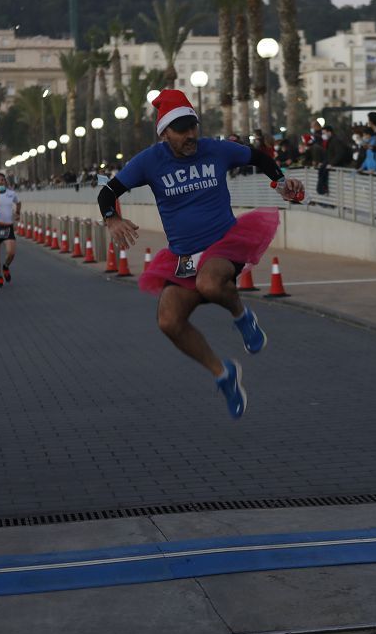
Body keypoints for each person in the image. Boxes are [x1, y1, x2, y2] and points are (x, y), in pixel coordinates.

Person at [98, 89, 304, 419]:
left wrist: (280, 183)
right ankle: (224, 374)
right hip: (183, 256)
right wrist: (112, 219)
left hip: (224, 244)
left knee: (210, 283)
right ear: (165, 133)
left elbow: (259, 157)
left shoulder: (216, 150)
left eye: (193, 126)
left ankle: (242, 316)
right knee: (168, 321)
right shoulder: (149, 161)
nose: (191, 135)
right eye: (181, 130)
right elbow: (108, 192)